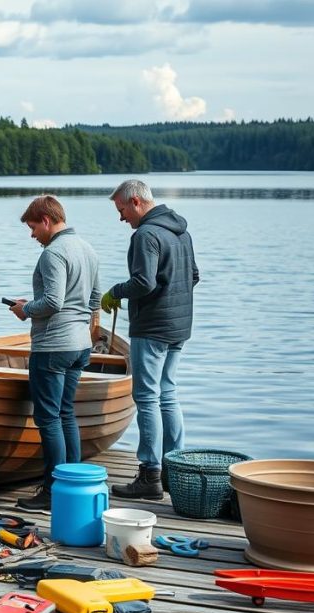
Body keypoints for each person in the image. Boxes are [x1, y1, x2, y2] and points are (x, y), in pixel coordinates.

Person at [102, 179, 199, 500]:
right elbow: (193, 276)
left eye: (121, 210)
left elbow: (142, 282)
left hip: (153, 327)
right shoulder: (180, 231)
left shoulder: (145, 234)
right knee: (168, 393)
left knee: (146, 398)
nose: (121, 218)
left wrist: (116, 291)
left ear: (135, 202)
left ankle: (149, 475)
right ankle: (174, 470)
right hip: (180, 326)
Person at [10, 195, 101, 511]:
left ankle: (52, 491)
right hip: (79, 345)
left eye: (33, 227)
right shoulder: (87, 248)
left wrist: (25, 310)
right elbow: (95, 299)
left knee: (48, 418)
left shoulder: (53, 253)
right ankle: (72, 483)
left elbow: (53, 303)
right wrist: (81, 326)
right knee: (66, 413)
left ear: (46, 221)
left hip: (53, 347)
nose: (32, 234)